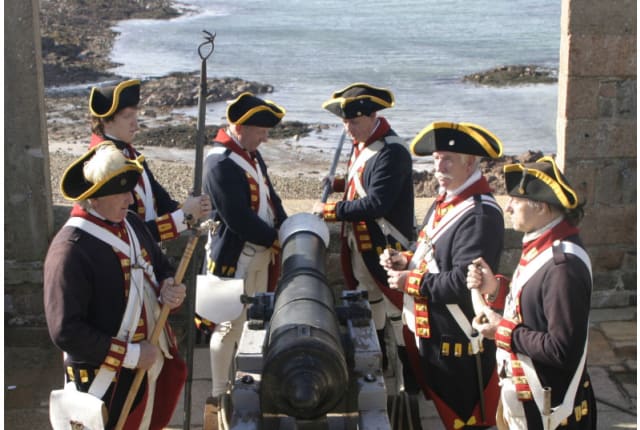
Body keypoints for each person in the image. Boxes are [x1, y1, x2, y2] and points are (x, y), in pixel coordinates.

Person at [44, 142, 187, 429]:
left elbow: (159, 266)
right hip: (106, 377)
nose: (129, 200)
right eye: (120, 193)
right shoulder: (70, 250)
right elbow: (66, 331)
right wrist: (132, 355)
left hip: (147, 365)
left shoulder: (131, 224)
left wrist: (168, 286)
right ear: (94, 199)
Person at [380, 121, 505, 429]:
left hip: (458, 340)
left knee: (467, 419)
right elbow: (431, 253)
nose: (439, 166)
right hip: (434, 332)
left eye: (448, 159)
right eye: (436, 158)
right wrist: (405, 260)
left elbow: (464, 281)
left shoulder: (480, 214)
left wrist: (410, 281)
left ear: (471, 163)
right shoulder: (446, 201)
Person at [467, 156, 596, 429]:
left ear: (543, 208)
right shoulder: (544, 246)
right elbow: (533, 305)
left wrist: (502, 331)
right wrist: (495, 288)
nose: (508, 206)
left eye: (516, 200)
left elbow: (562, 349)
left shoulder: (564, 267)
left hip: (546, 409)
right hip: (526, 398)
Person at [312, 82, 416, 381]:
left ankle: (406, 365)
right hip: (361, 241)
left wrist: (331, 210)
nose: (348, 129)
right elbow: (363, 182)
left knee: (395, 306)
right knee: (370, 299)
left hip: (386, 243)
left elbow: (377, 203)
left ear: (373, 117)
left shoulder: (391, 152)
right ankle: (380, 354)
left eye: (354, 122)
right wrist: (337, 186)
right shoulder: (366, 144)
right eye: (345, 122)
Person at [201, 92, 288, 426]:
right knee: (228, 326)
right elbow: (237, 217)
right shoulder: (220, 162)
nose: (265, 137)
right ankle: (219, 393)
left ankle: (247, 384)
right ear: (240, 127)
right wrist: (275, 237)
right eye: (260, 130)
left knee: (254, 323)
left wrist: (283, 224)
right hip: (234, 259)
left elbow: (270, 196)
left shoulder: (250, 154)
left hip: (260, 257)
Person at [89, 78, 211, 242]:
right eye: (127, 116)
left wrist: (194, 207)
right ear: (105, 121)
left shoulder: (133, 155)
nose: (136, 125)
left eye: (135, 116)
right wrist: (184, 216)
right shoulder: (101, 166)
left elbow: (161, 202)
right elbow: (127, 231)